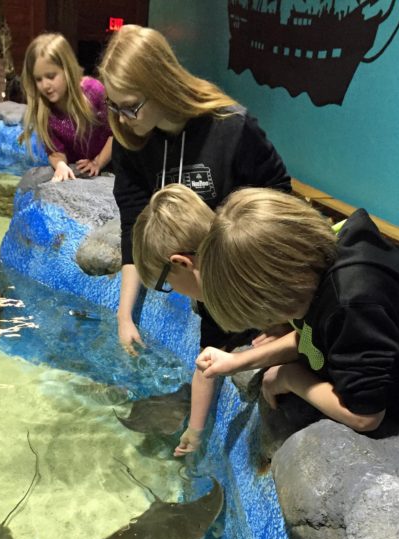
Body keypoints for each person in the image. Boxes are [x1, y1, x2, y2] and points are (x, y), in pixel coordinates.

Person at [195, 188, 399, 528]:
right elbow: (308, 336)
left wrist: (290, 378)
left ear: (276, 294)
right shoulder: (322, 262)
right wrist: (238, 361)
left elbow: (364, 415)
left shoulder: (351, 306)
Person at [98, 24, 291, 354]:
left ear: (160, 85)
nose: (123, 118)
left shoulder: (231, 129)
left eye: (130, 106)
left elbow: (278, 208)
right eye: (114, 107)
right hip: (200, 290)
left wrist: (281, 317)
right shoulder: (130, 143)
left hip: (244, 280)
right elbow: (134, 229)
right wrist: (124, 315)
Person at [133, 183, 257, 456]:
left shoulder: (253, 263)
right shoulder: (210, 300)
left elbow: (301, 325)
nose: (172, 291)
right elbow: (206, 363)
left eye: (166, 283)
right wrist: (195, 430)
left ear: (182, 264)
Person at [21, 33, 113, 182]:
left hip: (109, 163)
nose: (45, 85)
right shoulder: (45, 111)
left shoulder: (94, 91)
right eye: (39, 79)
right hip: (78, 168)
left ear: (67, 70)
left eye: (51, 76)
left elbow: (115, 133)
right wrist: (61, 165)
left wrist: (98, 162)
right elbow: (55, 150)